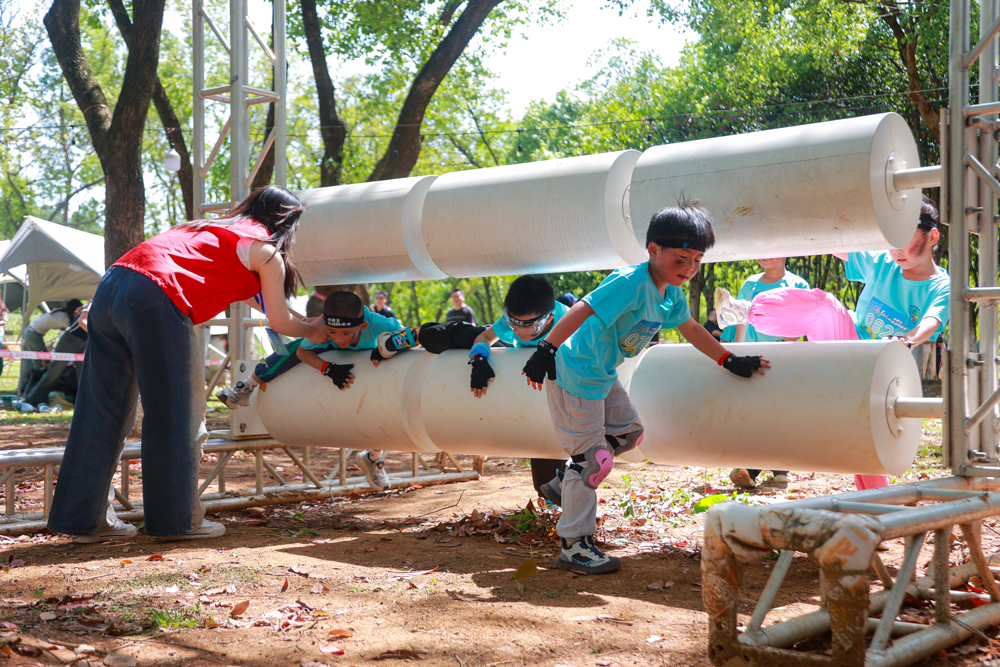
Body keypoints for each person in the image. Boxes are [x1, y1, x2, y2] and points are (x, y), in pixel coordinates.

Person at [47, 185, 328, 543]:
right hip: (156, 296)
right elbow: (284, 324)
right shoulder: (267, 253)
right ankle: (177, 521)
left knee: (100, 412)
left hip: (110, 288)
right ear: (285, 221)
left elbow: (277, 310)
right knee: (175, 413)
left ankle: (84, 521)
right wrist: (315, 331)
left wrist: (307, 324)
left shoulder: (209, 231)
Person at [520, 201, 769, 574]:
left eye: (697, 261)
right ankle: (574, 545)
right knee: (593, 463)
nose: (689, 269)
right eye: (680, 259)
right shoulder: (630, 282)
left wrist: (728, 358)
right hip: (575, 374)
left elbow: (692, 330)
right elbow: (583, 308)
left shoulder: (671, 295)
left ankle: (565, 482)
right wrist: (546, 348)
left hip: (601, 375)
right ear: (653, 251)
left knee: (629, 433)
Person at [717, 197, 947, 491]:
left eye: (904, 240)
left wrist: (907, 339)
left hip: (880, 363)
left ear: (932, 236)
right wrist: (802, 219)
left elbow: (932, 320)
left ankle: (877, 504)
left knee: (865, 437)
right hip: (846, 341)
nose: (896, 250)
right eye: (891, 241)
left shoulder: (939, 284)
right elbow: (835, 245)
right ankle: (745, 311)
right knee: (822, 304)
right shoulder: (883, 261)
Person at [217, 291, 403, 493]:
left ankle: (374, 458)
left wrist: (383, 350)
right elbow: (302, 352)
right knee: (288, 349)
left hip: (369, 360)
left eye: (346, 334)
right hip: (325, 351)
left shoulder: (382, 324)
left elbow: (408, 337)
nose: (339, 339)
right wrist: (327, 368)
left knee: (380, 404)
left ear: (363, 326)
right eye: (332, 332)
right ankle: (247, 385)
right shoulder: (323, 330)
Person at [722, 258, 810, 489]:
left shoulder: (796, 284)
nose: (766, 255)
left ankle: (779, 469)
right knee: (752, 412)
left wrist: (783, 350)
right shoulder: (749, 284)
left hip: (781, 359)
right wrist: (738, 353)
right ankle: (751, 468)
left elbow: (801, 322)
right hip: (751, 359)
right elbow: (739, 319)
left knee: (779, 411)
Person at [22, 303, 91, 410]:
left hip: (83, 341)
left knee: (84, 373)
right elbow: (82, 322)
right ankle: (33, 398)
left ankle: (85, 402)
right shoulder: (92, 304)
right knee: (54, 372)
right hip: (70, 340)